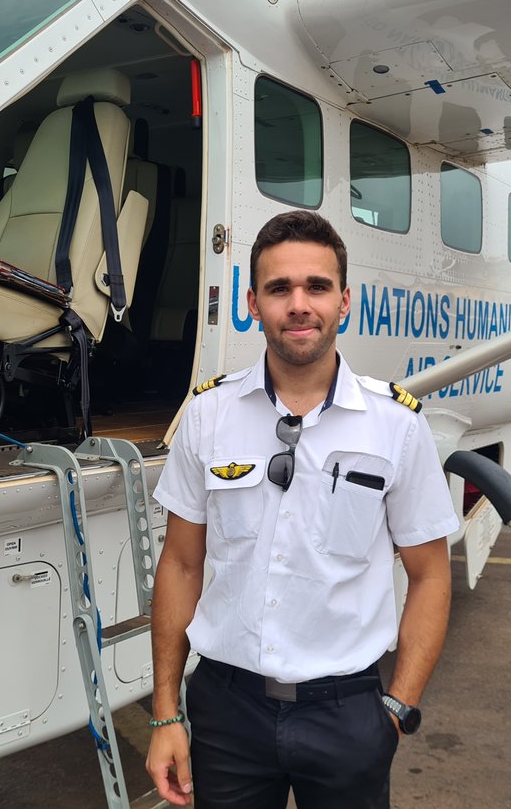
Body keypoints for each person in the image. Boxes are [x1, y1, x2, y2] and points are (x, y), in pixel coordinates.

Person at [145, 210, 459, 808]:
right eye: (278, 288)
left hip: (348, 716)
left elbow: (429, 574)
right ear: (252, 302)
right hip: (227, 710)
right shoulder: (208, 416)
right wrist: (166, 716)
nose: (298, 304)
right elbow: (181, 565)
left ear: (344, 300)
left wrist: (397, 708)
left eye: (316, 287)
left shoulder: (396, 426)